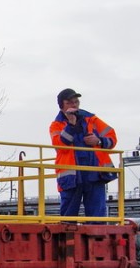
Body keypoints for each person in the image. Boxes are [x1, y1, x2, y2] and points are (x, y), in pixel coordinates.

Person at [50, 88, 117, 218]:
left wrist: (98, 141)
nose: (74, 105)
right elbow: (61, 146)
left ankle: (96, 237)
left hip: (95, 173)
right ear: (62, 105)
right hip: (71, 177)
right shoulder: (56, 125)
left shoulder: (91, 119)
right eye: (69, 102)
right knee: (68, 219)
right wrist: (71, 124)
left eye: (76, 101)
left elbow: (112, 138)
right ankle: (67, 238)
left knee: (97, 216)